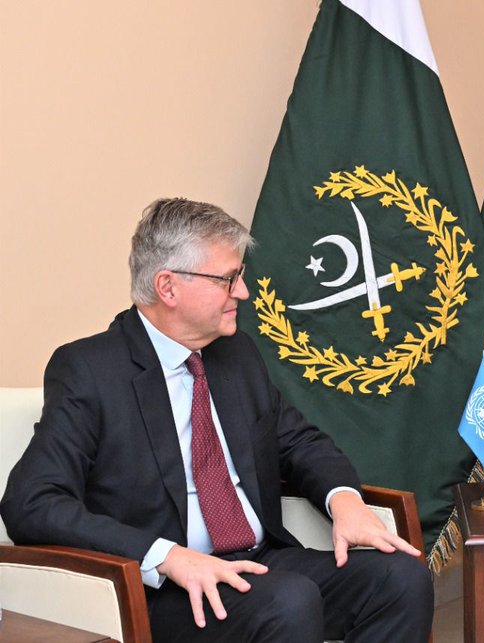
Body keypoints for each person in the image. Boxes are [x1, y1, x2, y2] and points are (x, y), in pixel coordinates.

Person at [1, 198, 433, 643]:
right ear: (167, 287)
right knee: (289, 600)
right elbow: (31, 502)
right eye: (228, 279)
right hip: (165, 588)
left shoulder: (236, 354)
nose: (243, 292)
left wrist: (345, 502)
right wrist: (166, 556)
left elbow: (300, 442)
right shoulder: (90, 370)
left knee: (400, 579)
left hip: (261, 560)